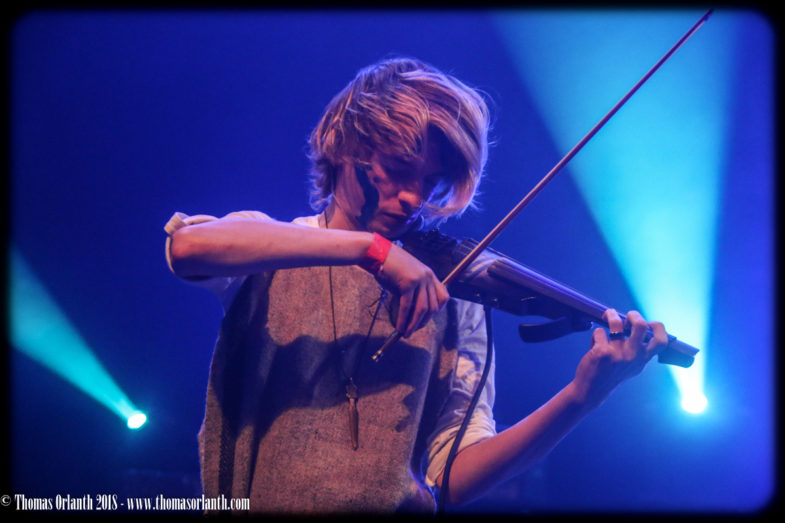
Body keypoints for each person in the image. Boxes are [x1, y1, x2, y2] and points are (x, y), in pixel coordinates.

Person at [164, 57, 669, 514]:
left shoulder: (455, 295)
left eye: (430, 182)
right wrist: (370, 249)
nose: (413, 198)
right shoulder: (271, 246)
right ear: (343, 146)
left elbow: (455, 478)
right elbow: (188, 247)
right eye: (398, 169)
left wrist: (582, 396)